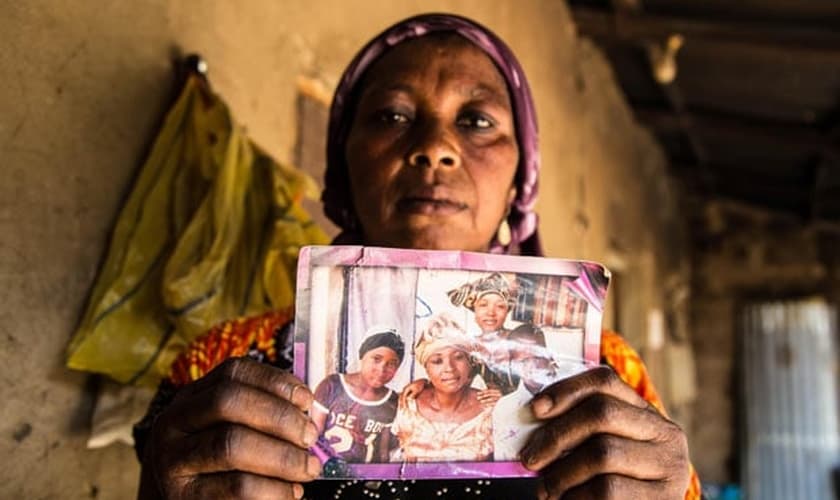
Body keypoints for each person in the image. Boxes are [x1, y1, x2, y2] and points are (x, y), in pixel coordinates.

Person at [135, 13, 700, 499]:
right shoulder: (218, 365)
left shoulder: (601, 369)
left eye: (476, 120)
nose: (434, 148)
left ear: (519, 179)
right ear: (342, 163)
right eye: (392, 116)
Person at [392, 314, 493, 462]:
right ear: (426, 367)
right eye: (437, 361)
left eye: (458, 357)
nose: (450, 368)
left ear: (469, 362)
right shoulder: (408, 405)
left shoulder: (490, 409)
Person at [310, 327, 404, 464]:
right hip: (328, 472)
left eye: (392, 364)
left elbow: (383, 454)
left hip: (368, 476)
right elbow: (313, 437)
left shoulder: (392, 401)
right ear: (362, 356)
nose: (382, 369)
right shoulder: (332, 385)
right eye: (376, 359)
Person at [492, 323, 584, 461]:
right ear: (512, 365)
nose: (532, 367)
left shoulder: (573, 391)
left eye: (537, 357)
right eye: (522, 361)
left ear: (549, 356)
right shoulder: (504, 408)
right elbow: (502, 459)